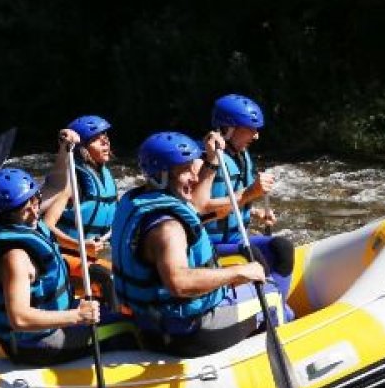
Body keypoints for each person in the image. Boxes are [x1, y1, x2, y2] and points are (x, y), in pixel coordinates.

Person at [110, 131, 287, 357]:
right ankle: (278, 358)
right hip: (188, 330)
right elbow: (179, 283)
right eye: (185, 171)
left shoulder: (139, 201)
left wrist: (212, 161)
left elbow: (201, 209)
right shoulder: (168, 229)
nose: (194, 178)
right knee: (271, 293)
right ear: (162, 175)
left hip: (150, 321)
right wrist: (239, 272)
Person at [0, 133, 125, 366]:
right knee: (125, 328)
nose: (35, 212)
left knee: (108, 308)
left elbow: (57, 184)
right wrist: (77, 316)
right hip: (36, 344)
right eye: (26, 210)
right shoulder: (15, 257)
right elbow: (20, 318)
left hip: (43, 328)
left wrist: (64, 148)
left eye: (35, 202)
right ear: (6, 214)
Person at [197, 94, 296, 304]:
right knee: (255, 257)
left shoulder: (241, 155)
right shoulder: (204, 161)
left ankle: (278, 305)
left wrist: (254, 211)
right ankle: (271, 310)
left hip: (235, 238)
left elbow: (229, 200)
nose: (256, 136)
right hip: (209, 244)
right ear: (228, 129)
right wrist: (251, 193)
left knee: (282, 247)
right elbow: (201, 211)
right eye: (251, 129)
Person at [42, 115, 119, 306]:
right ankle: (115, 321)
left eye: (106, 138)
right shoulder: (73, 181)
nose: (105, 143)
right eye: (97, 140)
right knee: (107, 277)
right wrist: (80, 245)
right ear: (83, 149)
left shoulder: (105, 177)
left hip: (86, 258)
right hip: (60, 256)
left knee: (125, 276)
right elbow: (46, 225)